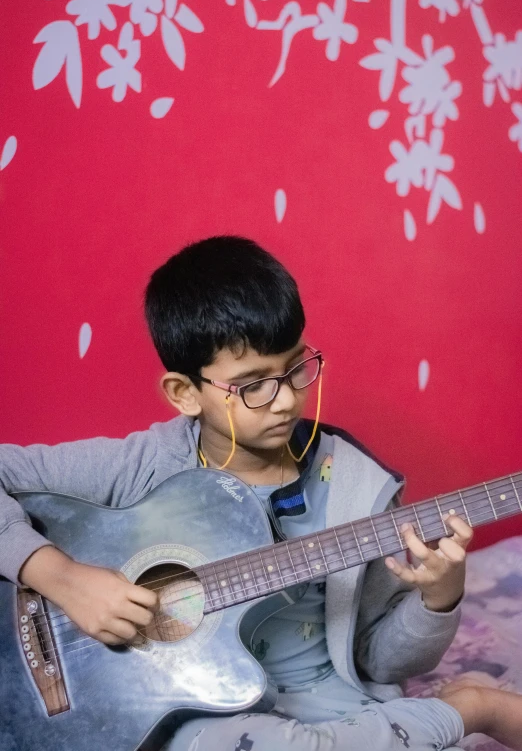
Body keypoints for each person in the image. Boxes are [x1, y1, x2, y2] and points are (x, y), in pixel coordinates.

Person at [1, 235, 521, 751]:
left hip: (334, 708)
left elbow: (379, 660)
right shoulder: (142, 465)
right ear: (184, 393)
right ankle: (460, 712)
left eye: (296, 368)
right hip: (210, 717)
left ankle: (475, 707)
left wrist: (440, 596)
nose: (286, 400)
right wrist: (62, 578)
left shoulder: (358, 489)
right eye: (253, 385)